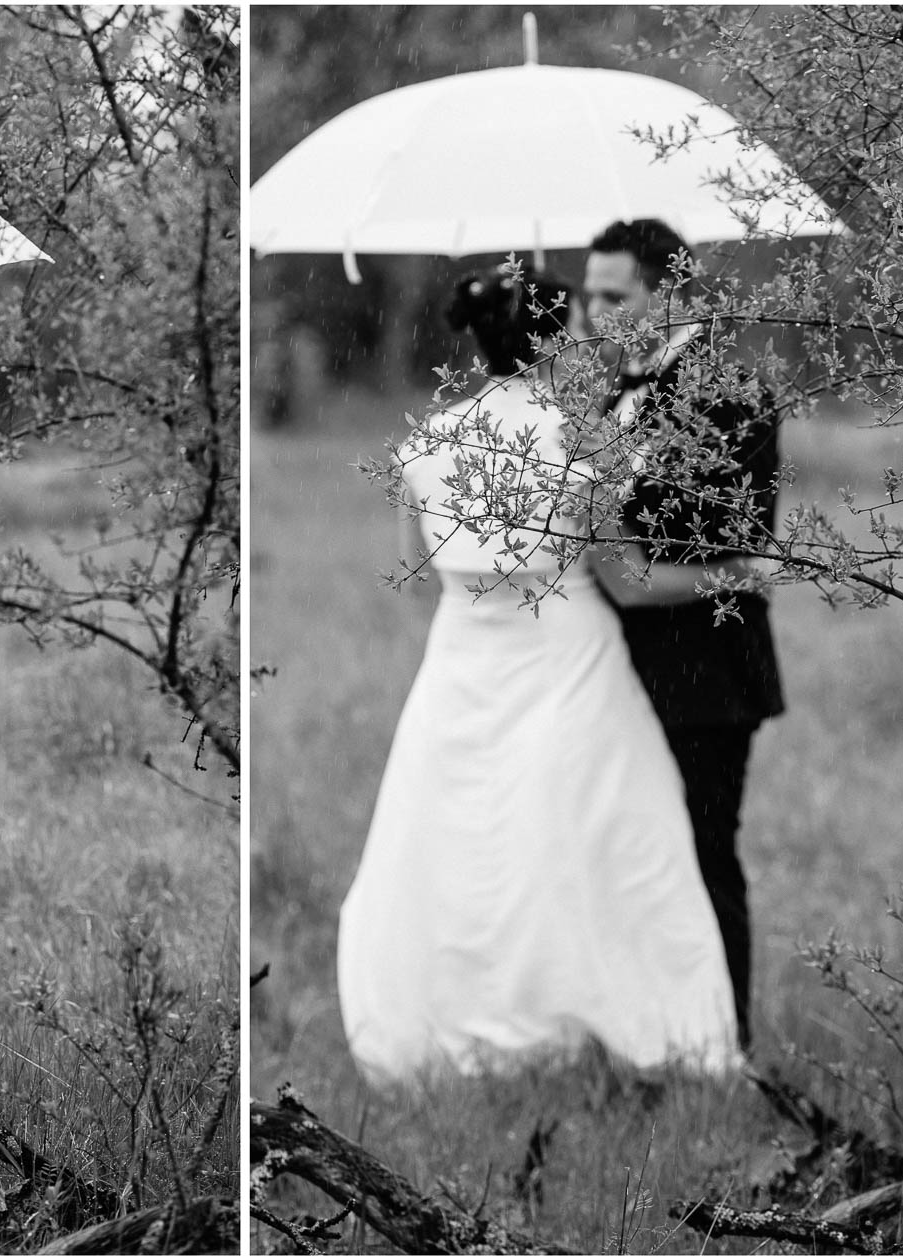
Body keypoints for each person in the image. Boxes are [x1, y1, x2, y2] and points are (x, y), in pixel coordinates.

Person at [336, 264, 740, 1086]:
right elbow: (629, 582)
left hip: (460, 665)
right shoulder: (582, 440)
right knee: (592, 841)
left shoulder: (428, 442)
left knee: (461, 846)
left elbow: (417, 581)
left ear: (476, 340)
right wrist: (734, 573)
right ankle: (599, 1019)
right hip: (570, 660)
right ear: (561, 337)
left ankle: (460, 1026)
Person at [582, 218, 786, 1051]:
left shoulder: (725, 390)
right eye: (587, 294)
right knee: (638, 859)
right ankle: (656, 1031)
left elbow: (730, 543)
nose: (593, 312)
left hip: (704, 672)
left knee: (703, 857)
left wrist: (614, 520)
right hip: (626, 670)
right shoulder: (619, 392)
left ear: (667, 292)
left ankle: (727, 1045)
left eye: (613, 294)